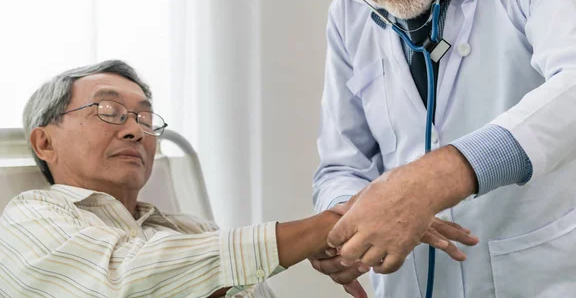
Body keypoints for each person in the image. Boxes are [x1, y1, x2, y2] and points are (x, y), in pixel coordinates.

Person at [288, 0, 576, 296]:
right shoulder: (348, 14)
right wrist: (344, 223)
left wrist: (436, 180)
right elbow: (341, 164)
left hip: (538, 276)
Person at [0, 60, 474, 298]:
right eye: (109, 111)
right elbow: (129, 280)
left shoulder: (188, 232)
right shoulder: (28, 219)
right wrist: (329, 223)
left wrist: (350, 233)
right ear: (44, 143)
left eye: (146, 118)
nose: (134, 128)